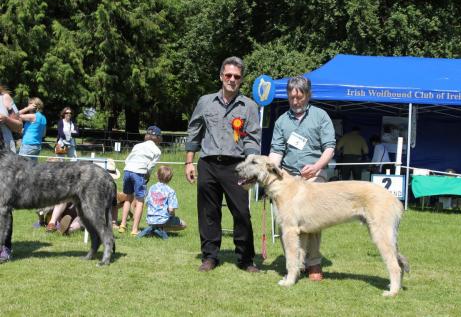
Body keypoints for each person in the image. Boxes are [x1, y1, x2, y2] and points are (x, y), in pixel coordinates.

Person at [185, 56, 261, 273]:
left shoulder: (249, 106)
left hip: (236, 167)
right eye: (228, 75)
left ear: (241, 80)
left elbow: (252, 139)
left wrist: (252, 167)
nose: (232, 79)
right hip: (208, 164)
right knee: (209, 213)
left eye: (236, 77)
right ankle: (210, 256)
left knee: (242, 213)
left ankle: (246, 259)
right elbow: (194, 131)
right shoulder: (205, 102)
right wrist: (189, 162)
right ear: (221, 76)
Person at [268, 75, 335, 281]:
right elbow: (276, 152)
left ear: (308, 95)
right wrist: (269, 173)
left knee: (311, 222)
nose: (295, 101)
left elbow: (329, 148)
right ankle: (294, 264)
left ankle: (313, 263)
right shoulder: (281, 121)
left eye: (300, 97)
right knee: (285, 223)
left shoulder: (320, 116)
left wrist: (316, 167)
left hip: (315, 176)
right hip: (288, 177)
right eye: (291, 97)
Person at [119, 126, 162, 235]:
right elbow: (150, 167)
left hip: (127, 170)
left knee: (128, 198)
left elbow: (127, 160)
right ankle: (134, 230)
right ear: (157, 137)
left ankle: (122, 225)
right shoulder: (157, 151)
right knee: (140, 202)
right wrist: (146, 175)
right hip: (139, 173)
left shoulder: (137, 145)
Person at [0, 84, 23, 263]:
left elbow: (19, 127)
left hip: (6, 159)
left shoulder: (5, 99)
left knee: (4, 204)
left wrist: (5, 119)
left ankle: (5, 247)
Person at [137, 166, 187, 239]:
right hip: (163, 219)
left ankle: (155, 229)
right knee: (184, 224)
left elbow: (147, 203)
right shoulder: (170, 191)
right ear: (170, 178)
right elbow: (171, 210)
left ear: (157, 176)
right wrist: (172, 217)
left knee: (158, 222)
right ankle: (160, 229)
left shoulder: (151, 188)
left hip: (150, 219)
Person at [18, 97, 47, 163]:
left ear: (34, 106)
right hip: (37, 146)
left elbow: (15, 115)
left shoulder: (33, 116)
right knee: (32, 168)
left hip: (28, 145)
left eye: (29, 104)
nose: (28, 106)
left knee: (21, 166)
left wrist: (27, 109)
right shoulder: (43, 117)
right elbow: (43, 134)